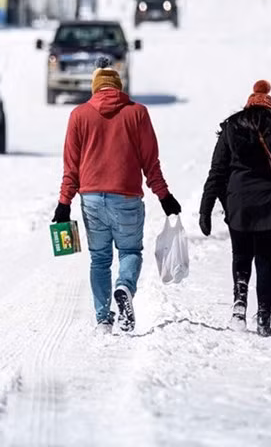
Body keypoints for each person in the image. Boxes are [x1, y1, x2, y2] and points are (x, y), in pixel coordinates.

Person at [53, 58, 181, 334]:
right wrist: (164, 196)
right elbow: (151, 163)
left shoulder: (79, 115)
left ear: (95, 87)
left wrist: (64, 203)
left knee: (99, 260)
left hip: (91, 200)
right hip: (126, 198)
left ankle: (103, 320)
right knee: (130, 251)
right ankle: (124, 286)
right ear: (118, 87)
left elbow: (71, 167)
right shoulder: (138, 113)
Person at [199, 80, 271, 337]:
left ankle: (239, 307)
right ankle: (264, 318)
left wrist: (205, 210)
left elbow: (217, 172)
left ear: (249, 105)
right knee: (266, 262)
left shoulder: (231, 127)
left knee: (241, 257)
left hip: (238, 205)